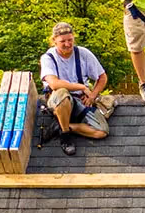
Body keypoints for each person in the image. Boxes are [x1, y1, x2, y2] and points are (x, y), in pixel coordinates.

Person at [36, 22, 112, 155]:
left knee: (102, 132)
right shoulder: (48, 58)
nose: (67, 44)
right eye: (62, 41)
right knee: (62, 94)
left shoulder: (83, 54)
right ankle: (65, 137)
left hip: (80, 101)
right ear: (54, 41)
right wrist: (82, 87)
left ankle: (61, 126)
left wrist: (92, 95)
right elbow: (54, 84)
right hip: (57, 100)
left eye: (70, 40)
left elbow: (102, 77)